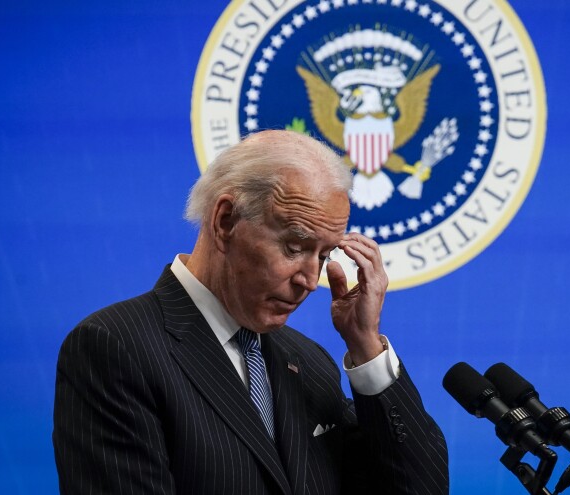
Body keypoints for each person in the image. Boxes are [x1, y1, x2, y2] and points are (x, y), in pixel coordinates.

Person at [53, 130, 449, 494]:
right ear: (226, 221)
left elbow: (420, 489)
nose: (310, 280)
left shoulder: (309, 363)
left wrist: (365, 348)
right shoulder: (116, 346)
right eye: (294, 247)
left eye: (324, 255)